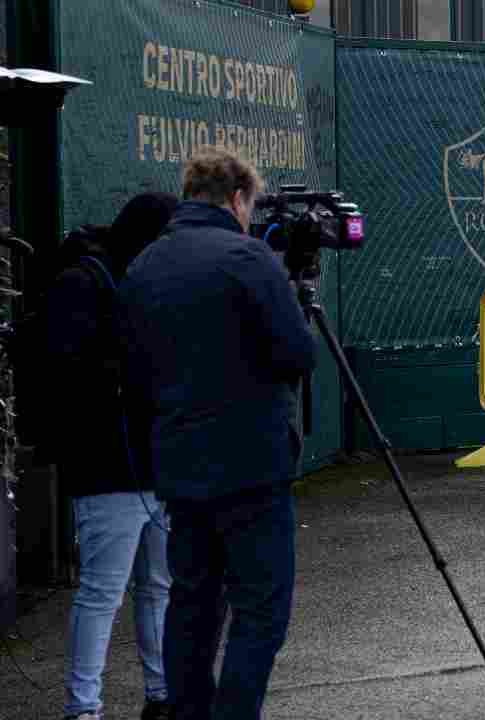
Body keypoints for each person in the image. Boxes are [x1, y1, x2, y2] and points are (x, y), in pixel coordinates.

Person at [118, 148, 316, 720]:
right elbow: (298, 354)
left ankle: (187, 712)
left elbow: (134, 369)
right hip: (252, 465)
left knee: (192, 601)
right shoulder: (248, 258)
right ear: (237, 198)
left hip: (180, 466)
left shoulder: (145, 265)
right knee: (260, 609)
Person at [55, 192, 179, 720]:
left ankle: (162, 696)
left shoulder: (143, 283)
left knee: (157, 586)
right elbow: (71, 374)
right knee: (103, 592)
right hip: (107, 465)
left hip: (156, 462)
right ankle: (83, 709)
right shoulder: (83, 284)